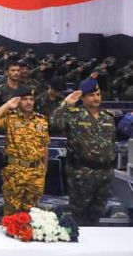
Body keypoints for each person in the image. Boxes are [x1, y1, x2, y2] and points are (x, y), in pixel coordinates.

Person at [50, 79, 116, 226]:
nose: (96, 98)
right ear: (83, 98)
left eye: (98, 94)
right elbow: (53, 123)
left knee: (97, 214)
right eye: (91, 95)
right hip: (81, 172)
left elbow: (111, 143)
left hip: (105, 173)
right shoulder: (74, 115)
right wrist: (66, 103)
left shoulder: (108, 117)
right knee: (78, 215)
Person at [0, 86, 49, 215]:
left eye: (31, 99)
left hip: (36, 172)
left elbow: (45, 145)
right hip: (15, 171)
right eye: (24, 99)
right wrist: (7, 105)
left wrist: (44, 168)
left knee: (32, 212)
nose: (29, 102)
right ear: (18, 101)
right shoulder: (10, 117)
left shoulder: (41, 120)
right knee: (11, 210)